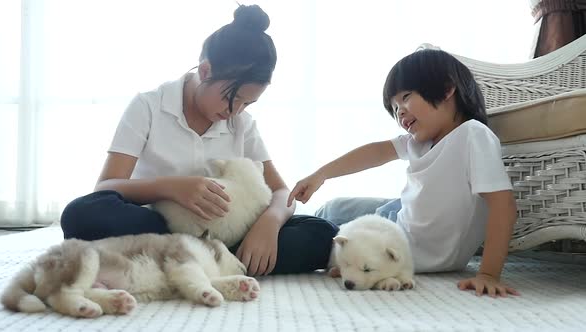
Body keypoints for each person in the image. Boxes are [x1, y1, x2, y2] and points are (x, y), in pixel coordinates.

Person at [60, 4, 338, 277]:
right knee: (81, 214)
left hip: (229, 231)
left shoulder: (241, 122)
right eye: (234, 98)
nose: (236, 111)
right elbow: (106, 188)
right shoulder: (148, 106)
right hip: (160, 227)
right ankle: (216, 260)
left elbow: (282, 193)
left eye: (247, 103)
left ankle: (194, 260)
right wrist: (171, 188)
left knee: (324, 234)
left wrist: (270, 222)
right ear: (205, 71)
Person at [287, 49, 520, 297]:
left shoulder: (473, 135)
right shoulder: (419, 142)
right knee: (333, 208)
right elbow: (376, 152)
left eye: (405, 97)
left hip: (400, 245)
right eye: (394, 107)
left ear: (446, 88)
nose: (399, 112)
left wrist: (488, 274)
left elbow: (502, 205)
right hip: (396, 221)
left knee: (322, 230)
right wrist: (321, 174)